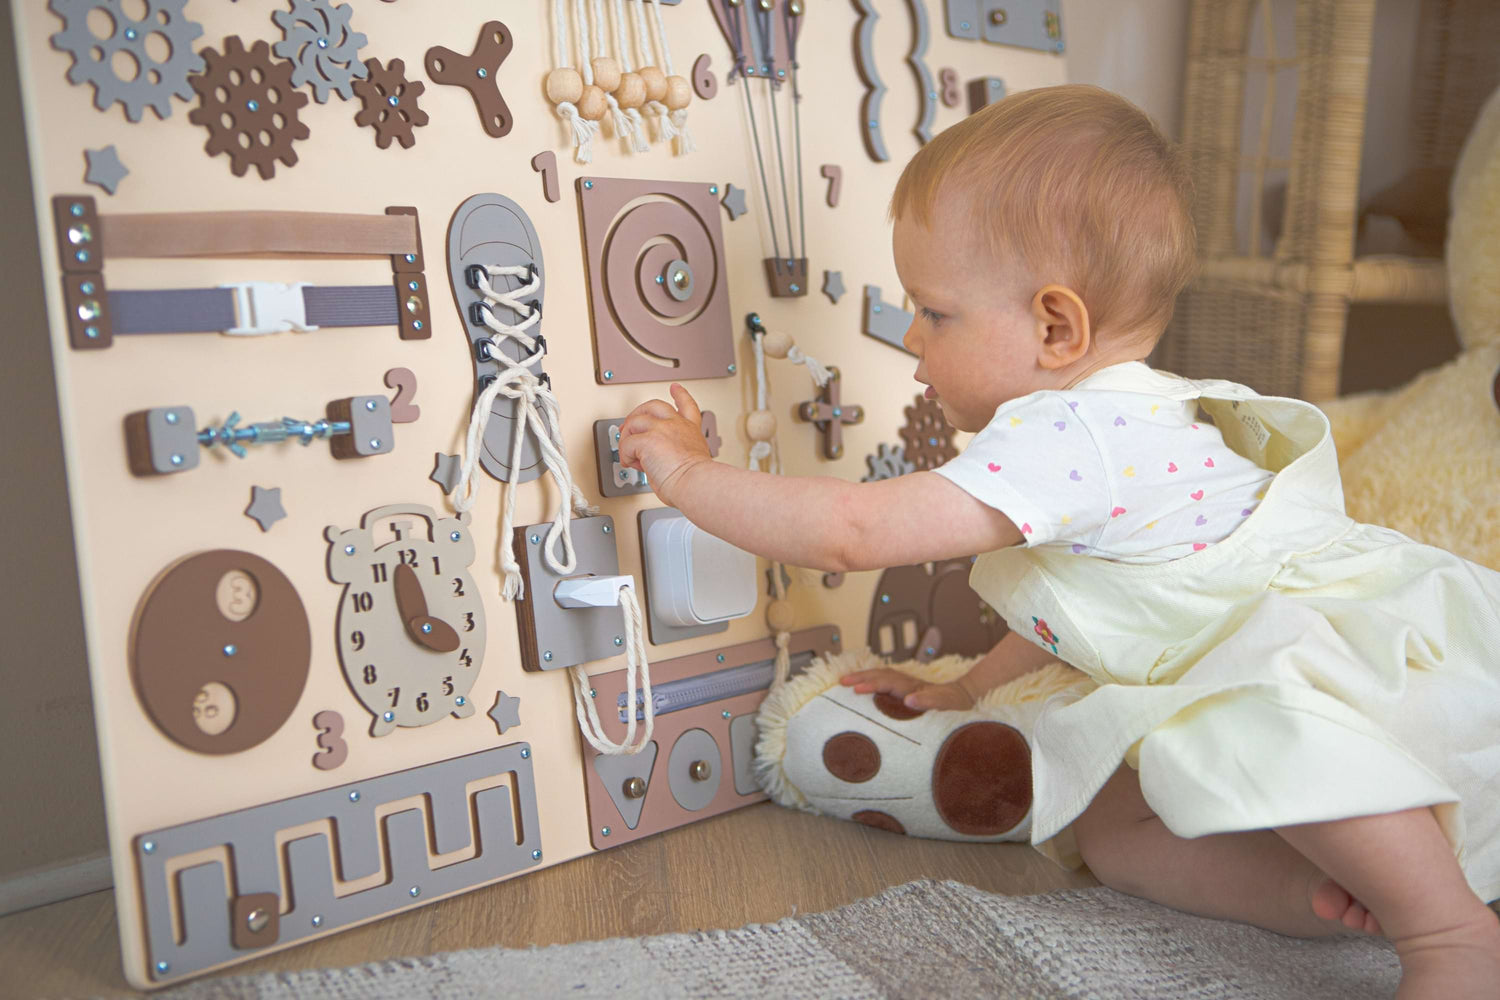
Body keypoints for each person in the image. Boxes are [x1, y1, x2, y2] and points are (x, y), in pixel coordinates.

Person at [615, 84, 1500, 997]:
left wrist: (687, 476)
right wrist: (969, 687)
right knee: (1110, 824)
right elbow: (1082, 606)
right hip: (1291, 656)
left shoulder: (1069, 435)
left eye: (936, 312)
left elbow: (850, 532)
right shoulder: (1108, 428)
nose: (913, 341)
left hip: (1341, 658)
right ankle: (1315, 887)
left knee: (1266, 723)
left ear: (1054, 327)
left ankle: (1447, 930)